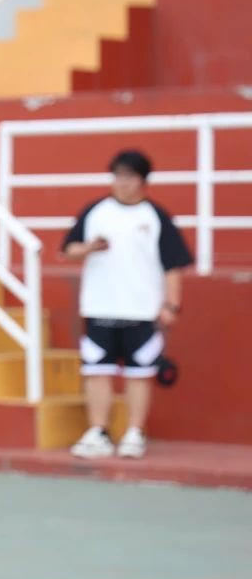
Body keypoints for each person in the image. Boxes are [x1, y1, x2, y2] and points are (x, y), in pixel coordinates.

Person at [63, 149, 193, 460]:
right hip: (99, 307)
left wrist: (171, 305)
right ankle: (98, 431)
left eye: (129, 177)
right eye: (118, 176)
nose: (122, 183)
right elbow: (68, 250)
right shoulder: (96, 211)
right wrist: (89, 248)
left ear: (143, 181)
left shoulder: (156, 217)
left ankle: (135, 432)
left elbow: (172, 265)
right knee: (97, 370)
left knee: (139, 374)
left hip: (141, 310)